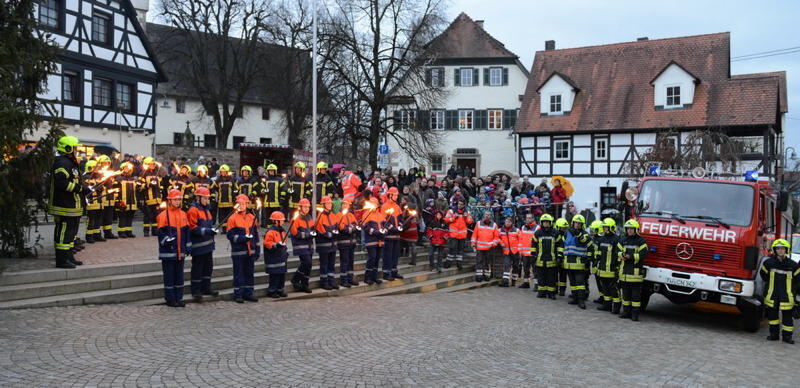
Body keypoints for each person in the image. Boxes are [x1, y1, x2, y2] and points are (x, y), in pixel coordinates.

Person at [49, 136, 85, 268]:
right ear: (68, 148)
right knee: (64, 233)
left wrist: (82, 188)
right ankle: (61, 260)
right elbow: (61, 183)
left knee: (71, 234)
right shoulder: (62, 163)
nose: (77, 150)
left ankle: (69, 257)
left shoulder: (70, 163)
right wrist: (79, 188)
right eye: (75, 148)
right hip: (64, 206)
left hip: (72, 206)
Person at [760, 238, 800, 344]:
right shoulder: (768, 263)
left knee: (787, 318)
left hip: (787, 296)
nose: (780, 251)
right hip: (772, 295)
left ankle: (787, 337)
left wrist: (796, 298)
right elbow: (763, 276)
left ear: (787, 250)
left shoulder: (793, 265)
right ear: (774, 250)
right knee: (773, 317)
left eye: (782, 248)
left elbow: (798, 282)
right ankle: (774, 335)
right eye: (778, 248)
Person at [157, 189, 191, 307]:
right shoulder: (163, 215)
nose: (177, 202)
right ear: (170, 201)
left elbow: (186, 232)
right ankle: (170, 299)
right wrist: (166, 240)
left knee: (179, 276)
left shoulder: (183, 214)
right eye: (175, 200)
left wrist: (188, 245)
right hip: (168, 252)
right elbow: (160, 233)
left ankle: (178, 298)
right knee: (169, 276)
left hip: (179, 251)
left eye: (179, 200)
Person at [186, 187, 219, 301]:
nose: (206, 200)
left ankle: (206, 288)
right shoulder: (193, 210)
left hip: (208, 245)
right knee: (197, 269)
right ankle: (196, 290)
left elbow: (208, 225)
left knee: (208, 267)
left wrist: (212, 230)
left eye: (207, 198)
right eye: (204, 198)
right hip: (198, 246)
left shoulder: (207, 210)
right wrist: (207, 231)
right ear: (198, 198)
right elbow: (193, 228)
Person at [226, 194, 260, 303]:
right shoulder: (232, 218)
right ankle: (238, 294)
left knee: (249, 273)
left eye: (244, 203)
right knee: (239, 274)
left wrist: (257, 249)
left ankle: (248, 293)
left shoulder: (251, 217)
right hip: (238, 251)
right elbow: (230, 236)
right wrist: (242, 238)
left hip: (250, 251)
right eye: (240, 204)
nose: (242, 206)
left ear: (247, 204)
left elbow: (256, 235)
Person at [617, 219, 648, 321]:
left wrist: (631, 256)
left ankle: (635, 315)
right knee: (625, 295)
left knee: (635, 297)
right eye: (628, 228)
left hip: (635, 274)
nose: (629, 230)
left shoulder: (641, 241)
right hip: (624, 273)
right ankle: (626, 312)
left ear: (636, 229)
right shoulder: (623, 239)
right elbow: (617, 251)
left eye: (631, 229)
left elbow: (644, 254)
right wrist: (621, 255)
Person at [562, 215, 591, 309]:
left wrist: (578, 234)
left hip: (579, 264)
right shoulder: (567, 233)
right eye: (576, 223)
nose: (577, 225)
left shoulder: (585, 233)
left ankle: (581, 301)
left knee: (580, 284)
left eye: (579, 223)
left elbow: (585, 241)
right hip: (568, 263)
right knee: (573, 283)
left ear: (582, 224)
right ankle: (575, 298)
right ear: (573, 223)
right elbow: (563, 245)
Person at [594, 219, 621, 314]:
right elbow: (598, 254)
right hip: (602, 269)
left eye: (606, 227)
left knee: (613, 289)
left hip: (612, 269)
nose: (605, 229)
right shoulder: (601, 239)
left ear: (612, 228)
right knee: (605, 288)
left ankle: (617, 307)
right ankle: (607, 305)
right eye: (604, 227)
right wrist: (596, 264)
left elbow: (619, 255)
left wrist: (617, 269)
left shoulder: (617, 240)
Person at [533, 214, 562, 299]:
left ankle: (551, 293)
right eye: (544, 222)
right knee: (541, 276)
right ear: (541, 223)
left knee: (551, 277)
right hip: (540, 259)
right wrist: (533, 255)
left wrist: (559, 256)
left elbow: (560, 245)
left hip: (552, 260)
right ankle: (541, 292)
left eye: (547, 222)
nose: (546, 223)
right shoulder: (538, 233)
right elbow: (533, 245)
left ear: (550, 223)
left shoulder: (555, 232)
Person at [289, 198, 314, 293]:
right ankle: (295, 279)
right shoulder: (296, 219)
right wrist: (308, 235)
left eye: (308, 207)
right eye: (305, 207)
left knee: (309, 265)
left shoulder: (309, 217)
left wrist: (314, 232)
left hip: (309, 246)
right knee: (307, 263)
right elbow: (295, 233)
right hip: (300, 246)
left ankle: (304, 284)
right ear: (300, 207)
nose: (307, 208)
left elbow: (312, 228)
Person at [263, 211, 289, 298]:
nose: (282, 222)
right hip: (273, 257)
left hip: (281, 256)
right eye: (281, 220)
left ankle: (280, 290)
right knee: (274, 276)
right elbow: (267, 243)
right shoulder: (271, 232)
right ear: (276, 221)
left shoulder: (282, 231)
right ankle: (272, 291)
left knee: (281, 275)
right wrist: (276, 244)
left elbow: (284, 242)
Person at [315, 196, 339, 290]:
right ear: (323, 205)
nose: (329, 205)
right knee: (324, 264)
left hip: (332, 245)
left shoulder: (333, 215)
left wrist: (336, 232)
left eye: (330, 203)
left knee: (331, 264)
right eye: (328, 203)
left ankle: (331, 281)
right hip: (324, 245)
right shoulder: (320, 216)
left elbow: (336, 226)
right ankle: (324, 282)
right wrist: (328, 234)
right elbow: (320, 230)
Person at [334, 199, 359, 287]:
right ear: (341, 205)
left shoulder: (351, 215)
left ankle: (350, 278)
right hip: (343, 243)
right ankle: (344, 280)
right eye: (344, 204)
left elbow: (356, 225)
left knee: (351, 261)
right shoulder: (338, 215)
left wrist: (350, 228)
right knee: (344, 261)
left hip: (351, 243)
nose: (346, 206)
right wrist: (350, 228)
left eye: (347, 204)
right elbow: (342, 228)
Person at [381, 187, 404, 280]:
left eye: (397, 195)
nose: (396, 196)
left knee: (395, 255)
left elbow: (401, 218)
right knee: (388, 255)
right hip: (389, 236)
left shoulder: (397, 206)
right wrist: (391, 227)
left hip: (397, 236)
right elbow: (383, 220)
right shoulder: (384, 206)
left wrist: (401, 225)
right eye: (395, 195)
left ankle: (394, 271)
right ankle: (386, 273)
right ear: (390, 195)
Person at [362, 198, 385, 285]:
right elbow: (365, 228)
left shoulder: (380, 215)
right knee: (372, 258)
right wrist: (376, 232)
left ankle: (374, 277)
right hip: (371, 240)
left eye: (375, 204)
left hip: (380, 240)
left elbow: (384, 225)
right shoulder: (366, 214)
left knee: (377, 259)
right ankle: (367, 277)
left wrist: (384, 231)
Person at [444, 199, 473, 270]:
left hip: (462, 235)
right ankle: (448, 263)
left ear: (464, 205)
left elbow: (470, 221)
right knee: (452, 248)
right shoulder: (451, 211)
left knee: (460, 250)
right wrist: (454, 218)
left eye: (461, 204)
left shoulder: (467, 212)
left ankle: (459, 264)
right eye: (459, 204)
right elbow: (446, 219)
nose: (459, 205)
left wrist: (466, 218)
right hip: (453, 234)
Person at [471, 211, 499, 282]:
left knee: (488, 262)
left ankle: (487, 275)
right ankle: (479, 276)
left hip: (489, 248)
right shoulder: (478, 223)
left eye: (489, 215)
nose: (487, 216)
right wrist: (473, 243)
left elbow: (496, 237)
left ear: (491, 216)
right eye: (486, 214)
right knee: (479, 261)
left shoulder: (494, 225)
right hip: (480, 247)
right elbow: (474, 235)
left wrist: (493, 244)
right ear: (484, 215)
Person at [115, 162, 140, 238]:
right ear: (122, 169)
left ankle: (128, 231)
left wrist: (139, 185)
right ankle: (121, 232)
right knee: (122, 217)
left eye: (129, 168)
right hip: (123, 201)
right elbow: (115, 190)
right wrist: (118, 201)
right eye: (126, 168)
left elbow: (137, 189)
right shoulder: (118, 179)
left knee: (130, 217)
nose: (128, 169)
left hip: (132, 201)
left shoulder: (132, 179)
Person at [139, 157, 162, 237]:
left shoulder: (157, 173)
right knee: (148, 215)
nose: (153, 165)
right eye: (151, 164)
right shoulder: (143, 173)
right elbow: (139, 186)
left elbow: (160, 186)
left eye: (153, 164)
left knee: (156, 215)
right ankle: (146, 231)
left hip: (157, 198)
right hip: (148, 198)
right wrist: (148, 185)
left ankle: (155, 231)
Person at [97, 155, 118, 240]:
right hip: (102, 198)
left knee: (109, 217)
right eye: (104, 163)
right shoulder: (98, 173)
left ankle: (108, 233)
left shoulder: (110, 173)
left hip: (110, 198)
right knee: (100, 218)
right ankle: (97, 234)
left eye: (107, 163)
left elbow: (113, 185)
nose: (106, 164)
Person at [82, 160, 102, 244]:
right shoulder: (86, 177)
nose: (97, 169)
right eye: (95, 168)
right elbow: (86, 189)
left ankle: (97, 235)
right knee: (91, 220)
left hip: (98, 202)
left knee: (98, 220)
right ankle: (89, 236)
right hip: (91, 203)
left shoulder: (98, 177)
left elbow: (101, 188)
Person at [517, 213, 538, 289]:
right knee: (525, 269)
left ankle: (537, 284)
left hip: (533, 252)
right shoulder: (523, 227)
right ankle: (526, 283)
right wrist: (520, 251)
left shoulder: (537, 227)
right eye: (527, 218)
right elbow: (521, 239)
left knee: (535, 269)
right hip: (525, 253)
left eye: (530, 218)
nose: (528, 219)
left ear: (533, 219)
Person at [498, 217, 520, 287]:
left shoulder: (517, 230)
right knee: (507, 265)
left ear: (512, 223)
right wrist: (501, 242)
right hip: (506, 251)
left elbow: (521, 240)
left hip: (515, 251)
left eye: (509, 222)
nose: (507, 223)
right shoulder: (500, 230)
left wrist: (520, 249)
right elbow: (497, 237)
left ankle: (514, 281)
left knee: (516, 266)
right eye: (506, 222)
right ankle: (505, 282)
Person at [588, 220, 605, 304]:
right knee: (598, 282)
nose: (592, 232)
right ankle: (602, 297)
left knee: (602, 282)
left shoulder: (601, 240)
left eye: (593, 230)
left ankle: (605, 298)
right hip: (594, 264)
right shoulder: (595, 239)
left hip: (599, 265)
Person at [214, 165, 236, 232]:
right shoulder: (218, 180)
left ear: (227, 172)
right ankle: (224, 229)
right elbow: (215, 188)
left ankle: (229, 228)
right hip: (221, 202)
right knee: (221, 216)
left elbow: (234, 189)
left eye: (224, 172)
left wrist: (234, 197)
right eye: (222, 172)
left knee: (229, 216)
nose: (223, 173)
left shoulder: (231, 180)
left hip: (229, 202)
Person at [555, 217, 570, 296]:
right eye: (562, 227)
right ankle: (555, 288)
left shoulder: (567, 235)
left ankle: (562, 290)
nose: (564, 229)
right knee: (554, 274)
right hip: (555, 256)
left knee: (563, 274)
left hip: (564, 257)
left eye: (565, 227)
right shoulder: (554, 234)